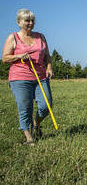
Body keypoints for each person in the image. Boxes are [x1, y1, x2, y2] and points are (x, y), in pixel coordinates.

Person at [2, 9, 53, 145]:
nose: (30, 23)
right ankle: (29, 137)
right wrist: (19, 56)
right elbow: (5, 58)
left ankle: (35, 124)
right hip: (20, 77)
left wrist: (49, 67)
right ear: (19, 22)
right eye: (27, 20)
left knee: (46, 105)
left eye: (32, 20)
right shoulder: (13, 37)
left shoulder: (40, 37)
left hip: (40, 77)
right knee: (25, 107)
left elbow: (47, 56)